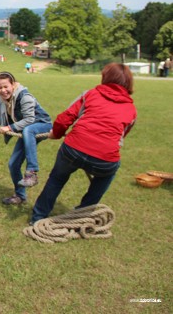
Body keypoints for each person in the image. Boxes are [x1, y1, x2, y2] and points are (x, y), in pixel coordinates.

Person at [30, 63, 137, 224]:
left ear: (105, 77)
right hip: (104, 159)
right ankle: (81, 216)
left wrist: (56, 134)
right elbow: (121, 137)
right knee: (107, 175)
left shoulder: (90, 94)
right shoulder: (131, 109)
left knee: (57, 179)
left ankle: (38, 217)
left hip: (73, 149)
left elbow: (66, 117)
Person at [0, 72, 52, 205]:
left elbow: (30, 119)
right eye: (0, 87)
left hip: (41, 125)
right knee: (13, 164)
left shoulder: (24, 96)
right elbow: (2, 118)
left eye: (6, 86)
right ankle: (20, 196)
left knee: (29, 129)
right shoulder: (2, 100)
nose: (3, 90)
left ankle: (32, 172)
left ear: (13, 84)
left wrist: (9, 128)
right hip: (26, 131)